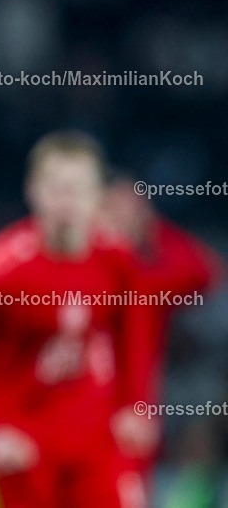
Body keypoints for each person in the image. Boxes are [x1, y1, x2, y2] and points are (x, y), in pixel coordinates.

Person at [0, 131, 155, 508]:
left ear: (97, 196)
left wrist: (136, 405)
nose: (66, 202)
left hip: (96, 438)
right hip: (25, 444)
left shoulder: (117, 260)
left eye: (77, 189)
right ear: (32, 191)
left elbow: (135, 335)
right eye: (56, 188)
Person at [101, 176, 221, 503]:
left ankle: (193, 494)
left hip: (149, 397)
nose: (126, 217)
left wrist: (154, 232)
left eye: (135, 208)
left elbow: (204, 271)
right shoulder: (74, 272)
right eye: (115, 209)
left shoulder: (150, 272)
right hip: (88, 399)